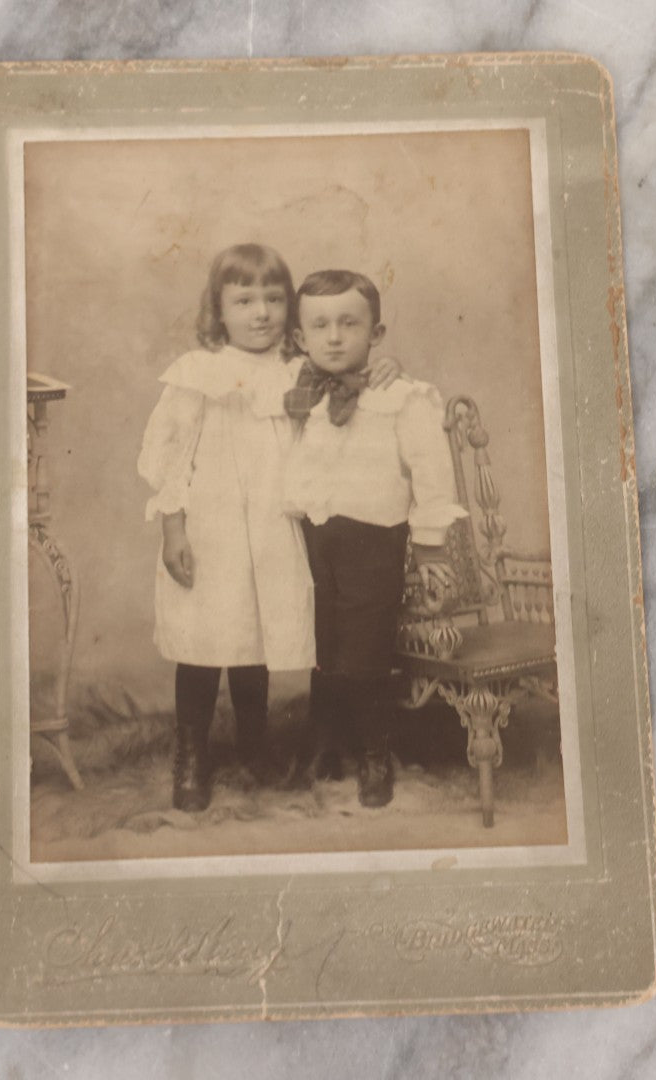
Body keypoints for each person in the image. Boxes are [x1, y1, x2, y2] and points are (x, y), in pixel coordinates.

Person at [138, 245, 400, 812]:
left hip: (274, 527)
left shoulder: (300, 370)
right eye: (244, 300)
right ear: (219, 309)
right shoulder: (198, 374)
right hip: (213, 527)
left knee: (252, 634)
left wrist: (385, 369)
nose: (261, 313)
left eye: (274, 300)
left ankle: (253, 746)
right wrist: (173, 531)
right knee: (206, 638)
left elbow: (355, 387)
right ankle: (191, 756)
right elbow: (172, 459)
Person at [283, 269, 468, 807]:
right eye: (320, 326)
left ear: (376, 334)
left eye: (349, 323)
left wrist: (432, 541)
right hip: (315, 534)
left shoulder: (401, 396)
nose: (335, 337)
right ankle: (327, 742)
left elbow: (431, 473)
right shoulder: (299, 390)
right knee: (325, 641)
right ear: (300, 338)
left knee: (365, 648)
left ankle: (374, 752)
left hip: (373, 539)